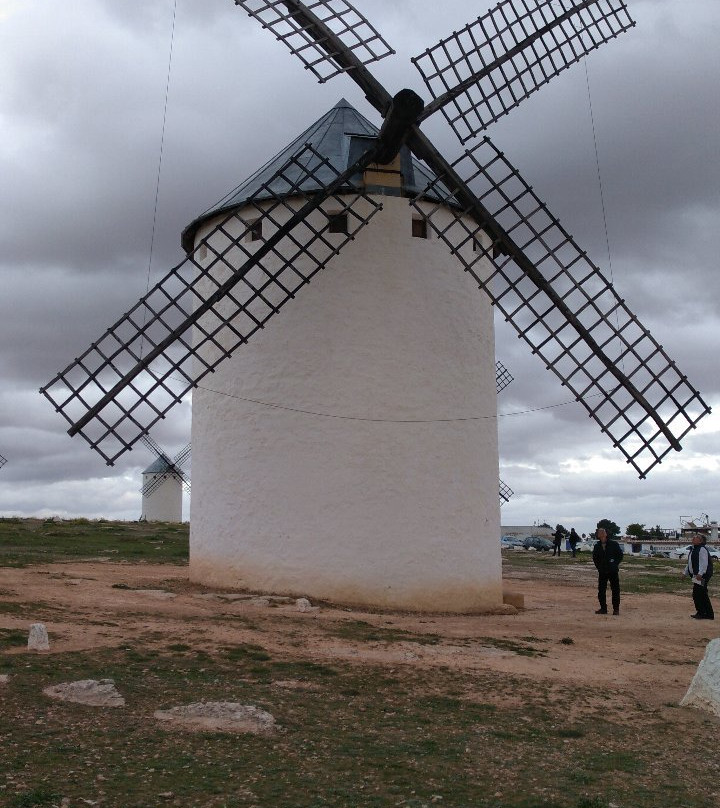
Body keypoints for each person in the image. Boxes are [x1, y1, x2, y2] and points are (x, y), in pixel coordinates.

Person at [682, 534, 714, 620]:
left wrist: (700, 573)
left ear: (700, 541)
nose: (693, 538)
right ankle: (708, 614)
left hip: (701, 575)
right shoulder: (694, 549)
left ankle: (702, 613)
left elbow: (704, 563)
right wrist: (685, 573)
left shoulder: (702, 549)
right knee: (702, 593)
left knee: (697, 593)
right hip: (697, 575)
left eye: (696, 537)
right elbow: (690, 563)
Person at [592, 527, 623, 615]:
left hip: (613, 571)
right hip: (602, 571)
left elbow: (620, 555)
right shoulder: (597, 546)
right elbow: (595, 558)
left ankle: (616, 609)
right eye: (599, 532)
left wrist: (614, 564)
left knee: (615, 590)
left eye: (603, 532)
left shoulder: (614, 544)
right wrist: (599, 567)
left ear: (606, 533)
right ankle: (603, 609)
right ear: (598, 535)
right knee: (601, 590)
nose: (601, 534)